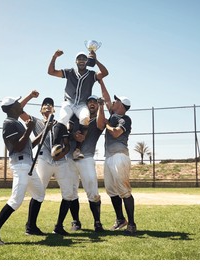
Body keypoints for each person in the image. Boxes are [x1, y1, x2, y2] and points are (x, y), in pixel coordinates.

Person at [0, 91, 46, 245]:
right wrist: (30, 129)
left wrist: (45, 131)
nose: (21, 105)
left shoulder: (16, 122)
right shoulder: (9, 124)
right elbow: (17, 147)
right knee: (16, 201)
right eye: (18, 104)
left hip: (28, 165)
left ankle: (31, 227)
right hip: (20, 165)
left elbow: (29, 145)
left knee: (39, 194)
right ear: (12, 108)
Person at [20, 96, 74, 236]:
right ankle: (30, 226)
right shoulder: (36, 122)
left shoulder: (61, 124)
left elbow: (67, 145)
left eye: (51, 104)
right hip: (44, 159)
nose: (48, 106)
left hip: (61, 161)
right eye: (45, 104)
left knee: (69, 193)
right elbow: (19, 109)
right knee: (38, 192)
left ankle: (59, 226)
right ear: (40, 109)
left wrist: (61, 154)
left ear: (54, 109)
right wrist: (31, 96)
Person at [48, 49, 109, 160]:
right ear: (75, 61)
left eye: (84, 59)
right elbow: (51, 72)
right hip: (69, 102)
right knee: (63, 118)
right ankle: (56, 145)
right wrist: (54, 56)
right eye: (79, 59)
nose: (81, 60)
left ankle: (77, 149)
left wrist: (96, 60)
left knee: (85, 118)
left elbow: (105, 73)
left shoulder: (91, 74)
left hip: (81, 104)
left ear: (87, 61)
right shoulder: (70, 72)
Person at [96, 78, 137, 235]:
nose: (112, 102)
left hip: (119, 156)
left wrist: (106, 123)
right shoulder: (114, 114)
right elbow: (106, 98)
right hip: (109, 157)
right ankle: (120, 219)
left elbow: (115, 133)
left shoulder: (124, 119)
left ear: (120, 105)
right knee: (111, 190)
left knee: (124, 191)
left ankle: (132, 224)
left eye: (116, 100)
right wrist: (100, 82)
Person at [68, 95, 105, 232]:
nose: (92, 104)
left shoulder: (97, 119)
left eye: (94, 102)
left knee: (92, 191)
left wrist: (102, 106)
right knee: (71, 192)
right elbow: (66, 133)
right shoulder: (77, 118)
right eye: (89, 102)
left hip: (87, 158)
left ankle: (97, 222)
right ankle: (76, 221)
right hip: (71, 158)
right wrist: (73, 136)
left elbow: (102, 124)